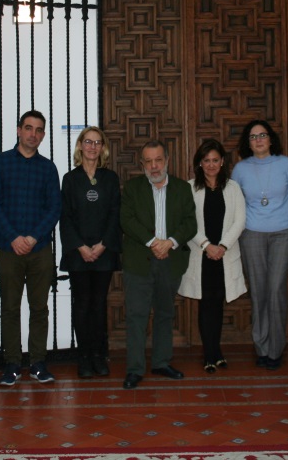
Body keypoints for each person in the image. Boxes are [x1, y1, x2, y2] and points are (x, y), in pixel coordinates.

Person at [0, 110, 62, 386]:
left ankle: (38, 362)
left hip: (40, 248)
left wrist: (32, 237)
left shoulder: (48, 168)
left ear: (43, 134)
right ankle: (12, 364)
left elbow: (54, 207)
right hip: (8, 249)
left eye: (39, 129)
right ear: (19, 130)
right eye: (28, 128)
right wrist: (14, 237)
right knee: (10, 307)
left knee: (39, 307)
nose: (33, 134)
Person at [120, 140, 197, 390]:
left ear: (167, 161)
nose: (154, 166)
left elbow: (190, 223)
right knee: (136, 316)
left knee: (165, 313)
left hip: (170, 261)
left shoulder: (183, 189)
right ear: (142, 164)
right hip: (139, 262)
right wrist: (154, 242)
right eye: (149, 161)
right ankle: (135, 369)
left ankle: (162, 362)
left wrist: (170, 243)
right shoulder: (132, 188)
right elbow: (127, 220)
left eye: (158, 160)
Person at [231, 121, 288, 370]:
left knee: (275, 290)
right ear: (248, 142)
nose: (259, 140)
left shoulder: (285, 164)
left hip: (284, 233)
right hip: (252, 234)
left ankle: (276, 349)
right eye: (253, 137)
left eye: (263, 135)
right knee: (259, 291)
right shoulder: (240, 169)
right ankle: (261, 347)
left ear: (271, 139)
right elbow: (234, 205)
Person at [179, 139, 247, 373]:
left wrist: (223, 246)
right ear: (199, 163)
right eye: (206, 160)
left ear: (222, 162)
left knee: (218, 304)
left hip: (224, 256)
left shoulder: (233, 188)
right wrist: (207, 245)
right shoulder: (189, 188)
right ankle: (209, 354)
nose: (210, 165)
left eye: (215, 160)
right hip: (202, 256)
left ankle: (217, 352)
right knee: (205, 304)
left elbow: (240, 220)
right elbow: (187, 222)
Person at [59, 126, 121, 378]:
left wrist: (103, 244)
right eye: (88, 142)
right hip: (78, 253)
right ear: (80, 146)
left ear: (103, 148)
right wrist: (81, 247)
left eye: (97, 142)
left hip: (104, 252)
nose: (92, 147)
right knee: (82, 304)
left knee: (98, 304)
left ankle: (98, 355)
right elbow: (65, 216)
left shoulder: (110, 178)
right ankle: (83, 357)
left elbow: (115, 214)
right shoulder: (70, 179)